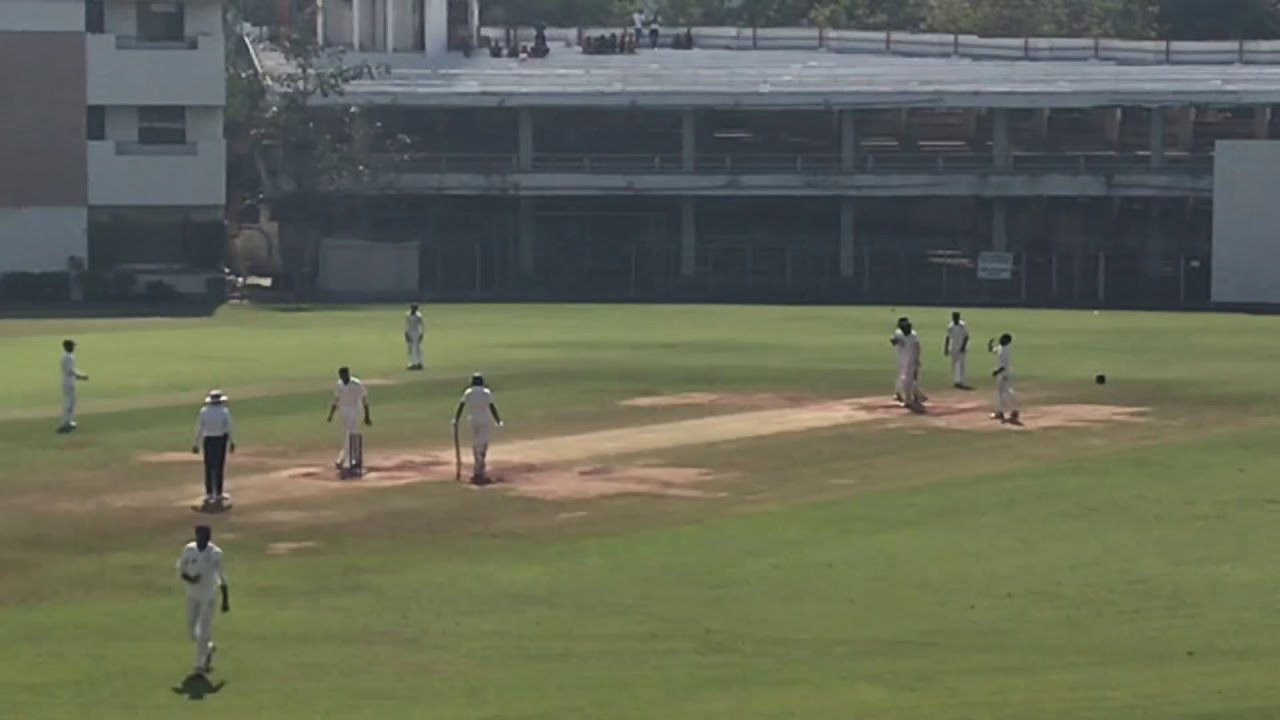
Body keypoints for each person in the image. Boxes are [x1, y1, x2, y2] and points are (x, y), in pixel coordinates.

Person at [176, 525, 229, 677]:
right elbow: (180, 570)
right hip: (192, 595)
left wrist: (225, 599)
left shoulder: (215, 553)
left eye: (206, 537)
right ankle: (208, 648)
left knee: (204, 629)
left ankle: (199, 666)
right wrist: (190, 579)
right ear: (196, 535)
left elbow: (222, 577)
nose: (204, 539)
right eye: (201, 536)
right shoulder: (189, 549)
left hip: (208, 596)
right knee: (192, 630)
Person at [452, 372, 503, 484]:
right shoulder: (486, 392)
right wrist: (498, 420)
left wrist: (456, 419)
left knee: (476, 444)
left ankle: (478, 467)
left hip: (473, 421)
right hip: (484, 421)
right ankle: (480, 468)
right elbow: (492, 407)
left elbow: (461, 406)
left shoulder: (468, 392)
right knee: (483, 444)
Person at [191, 390, 235, 506]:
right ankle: (218, 493)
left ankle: (209, 493)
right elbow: (229, 428)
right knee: (219, 466)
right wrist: (232, 442)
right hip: (220, 441)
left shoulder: (204, 411)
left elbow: (199, 428)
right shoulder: (224, 411)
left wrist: (196, 443)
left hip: (208, 441)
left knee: (209, 466)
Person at [327, 367, 371, 470]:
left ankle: (343, 459)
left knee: (350, 433)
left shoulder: (357, 383)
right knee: (349, 433)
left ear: (348, 374)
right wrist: (331, 415)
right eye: (341, 375)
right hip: (344, 411)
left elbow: (364, 400)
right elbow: (336, 400)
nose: (342, 377)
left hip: (355, 410)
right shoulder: (339, 384)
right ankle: (351, 458)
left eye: (344, 375)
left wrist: (367, 416)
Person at [58, 339, 88, 433]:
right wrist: (81, 376)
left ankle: (69, 421)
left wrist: (78, 376)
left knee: (71, 402)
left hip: (70, 380)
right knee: (68, 402)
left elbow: (72, 370)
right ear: (66, 346)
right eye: (72, 346)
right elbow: (70, 371)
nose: (73, 347)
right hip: (68, 381)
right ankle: (66, 422)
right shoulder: (67, 357)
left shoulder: (68, 355)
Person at [990, 333, 1020, 423]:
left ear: (1007, 341)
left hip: (1005, 373)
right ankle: (1013, 410)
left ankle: (1001, 412)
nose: (1000, 339)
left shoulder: (1005, 350)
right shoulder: (1001, 347)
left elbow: (1004, 366)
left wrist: (996, 371)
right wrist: (990, 345)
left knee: (1002, 393)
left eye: (1003, 339)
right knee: (1006, 392)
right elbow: (993, 350)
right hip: (1004, 373)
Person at [899, 320, 925, 411]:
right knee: (909, 381)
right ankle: (916, 396)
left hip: (912, 362)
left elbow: (918, 348)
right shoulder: (905, 336)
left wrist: (917, 360)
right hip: (906, 361)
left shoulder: (913, 336)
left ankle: (909, 400)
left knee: (907, 380)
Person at [944, 311, 971, 389]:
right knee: (954, 364)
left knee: (961, 364)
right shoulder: (950, 326)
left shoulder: (962, 325)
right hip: (953, 347)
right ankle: (956, 381)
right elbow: (947, 337)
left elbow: (966, 336)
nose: (955, 318)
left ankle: (961, 381)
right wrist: (946, 348)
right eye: (954, 317)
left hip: (961, 346)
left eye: (956, 317)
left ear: (959, 317)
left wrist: (963, 346)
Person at [889, 317, 909, 404]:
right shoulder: (898, 332)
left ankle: (914, 393)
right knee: (903, 374)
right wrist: (896, 340)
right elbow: (893, 342)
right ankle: (898, 393)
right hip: (902, 356)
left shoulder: (911, 333)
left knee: (909, 375)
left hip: (909, 356)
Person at [404, 304, 425, 370]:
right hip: (410, 332)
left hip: (417, 333)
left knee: (418, 348)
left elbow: (422, 325)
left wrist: (421, 334)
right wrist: (406, 333)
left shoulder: (419, 316)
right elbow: (406, 324)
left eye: (415, 309)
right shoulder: (407, 314)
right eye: (413, 308)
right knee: (410, 348)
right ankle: (413, 363)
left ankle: (419, 363)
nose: (414, 310)